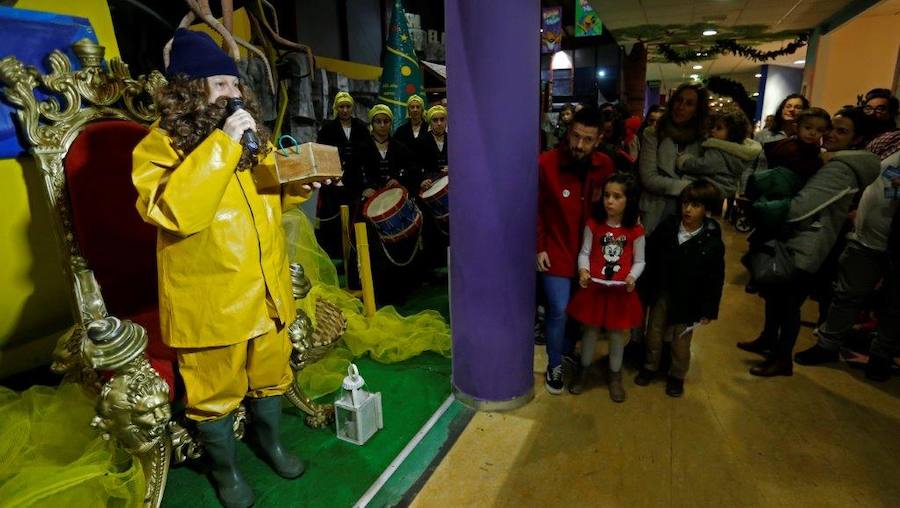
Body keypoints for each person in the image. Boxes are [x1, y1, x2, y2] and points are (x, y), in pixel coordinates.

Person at [132, 28, 310, 508]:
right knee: (214, 392)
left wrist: (302, 182)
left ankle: (270, 443)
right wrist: (223, 146)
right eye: (221, 85)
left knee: (271, 372)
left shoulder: (251, 140)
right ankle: (227, 471)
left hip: (266, 289)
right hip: (210, 302)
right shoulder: (160, 146)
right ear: (191, 91)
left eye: (235, 86)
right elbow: (174, 211)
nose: (234, 95)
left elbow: (272, 192)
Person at [740, 107, 881, 376]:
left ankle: (782, 359)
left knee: (788, 304)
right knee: (774, 295)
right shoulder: (824, 159)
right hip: (795, 239)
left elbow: (799, 208)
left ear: (857, 138)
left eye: (842, 131)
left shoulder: (840, 168)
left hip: (807, 244)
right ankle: (768, 339)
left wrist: (764, 207)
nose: (829, 134)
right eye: (832, 127)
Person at [793, 130, 900, 378]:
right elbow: (876, 179)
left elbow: (892, 189)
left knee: (894, 306)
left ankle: (881, 356)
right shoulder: (891, 140)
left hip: (895, 246)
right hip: (866, 237)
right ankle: (827, 345)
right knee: (846, 295)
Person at [537, 106, 614, 394]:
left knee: (578, 310)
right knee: (557, 309)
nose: (579, 145)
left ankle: (566, 348)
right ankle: (554, 363)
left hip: (590, 253)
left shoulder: (605, 165)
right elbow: (536, 210)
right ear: (568, 133)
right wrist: (539, 246)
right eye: (576, 136)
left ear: (598, 140)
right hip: (556, 248)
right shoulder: (546, 163)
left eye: (587, 139)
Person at [635, 180, 725, 397]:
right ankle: (650, 366)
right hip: (662, 293)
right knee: (654, 333)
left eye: (695, 205)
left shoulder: (712, 242)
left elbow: (715, 278)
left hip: (689, 300)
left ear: (707, 209)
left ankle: (677, 376)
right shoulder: (668, 227)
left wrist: (709, 309)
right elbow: (650, 257)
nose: (688, 209)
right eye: (685, 203)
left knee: (681, 342)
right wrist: (644, 289)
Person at [566, 172, 645, 402]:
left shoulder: (636, 230)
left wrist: (632, 276)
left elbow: (640, 260)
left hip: (620, 291)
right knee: (589, 331)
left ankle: (614, 375)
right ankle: (583, 369)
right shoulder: (594, 224)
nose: (609, 201)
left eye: (617, 196)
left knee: (617, 335)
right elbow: (585, 252)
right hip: (595, 289)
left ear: (628, 200)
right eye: (607, 195)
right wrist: (583, 270)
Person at [639, 82, 710, 235]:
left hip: (689, 213)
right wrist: (689, 186)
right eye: (679, 100)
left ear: (697, 110)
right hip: (655, 210)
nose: (681, 106)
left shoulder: (703, 140)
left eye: (689, 103)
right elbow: (649, 178)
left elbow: (709, 175)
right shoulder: (653, 133)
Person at [315, 91, 370, 257]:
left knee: (355, 217)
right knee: (333, 220)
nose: (345, 110)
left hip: (355, 182)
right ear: (336, 108)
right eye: (341, 107)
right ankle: (335, 254)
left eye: (347, 107)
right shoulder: (327, 129)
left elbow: (367, 154)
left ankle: (355, 253)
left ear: (351, 108)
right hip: (333, 183)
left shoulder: (361, 127)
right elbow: (321, 153)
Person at [675, 108, 762, 198]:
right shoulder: (740, 153)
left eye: (719, 128)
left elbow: (703, 165)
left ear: (732, 133)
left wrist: (684, 161)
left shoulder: (719, 149)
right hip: (727, 191)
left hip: (710, 190)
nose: (713, 130)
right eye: (713, 127)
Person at [763, 107, 831, 180]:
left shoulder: (814, 148)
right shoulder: (787, 147)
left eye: (819, 130)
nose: (813, 133)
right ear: (796, 128)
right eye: (808, 128)